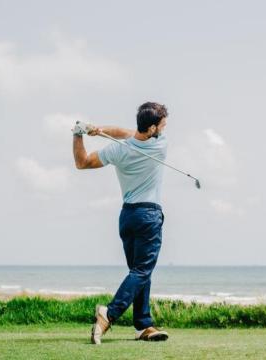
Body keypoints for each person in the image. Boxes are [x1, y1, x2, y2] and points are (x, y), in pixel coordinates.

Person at [72, 102, 170, 344]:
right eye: (163, 125)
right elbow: (130, 134)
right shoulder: (159, 145)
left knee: (139, 273)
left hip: (127, 217)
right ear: (151, 129)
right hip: (149, 216)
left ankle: (143, 326)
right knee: (142, 271)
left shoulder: (118, 150)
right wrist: (101, 130)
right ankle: (109, 314)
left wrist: (79, 134)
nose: (165, 129)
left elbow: (82, 162)